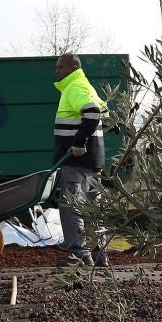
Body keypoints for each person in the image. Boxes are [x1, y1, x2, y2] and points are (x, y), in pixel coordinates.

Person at [52, 52, 109, 267]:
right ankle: (99, 254)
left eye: (61, 67)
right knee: (94, 207)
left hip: (76, 159)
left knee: (72, 205)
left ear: (74, 68)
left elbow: (92, 112)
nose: (57, 71)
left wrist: (79, 142)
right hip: (94, 160)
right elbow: (103, 111)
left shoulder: (74, 87)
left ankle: (78, 255)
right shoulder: (87, 86)